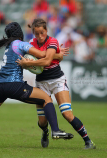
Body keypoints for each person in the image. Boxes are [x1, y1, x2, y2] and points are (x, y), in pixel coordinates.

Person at [0, 22, 73, 148]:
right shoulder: (20, 44)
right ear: (19, 33)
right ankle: (55, 130)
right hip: (14, 85)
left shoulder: (8, 45)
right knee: (46, 99)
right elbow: (43, 55)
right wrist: (58, 53)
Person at [16, 18, 96, 149]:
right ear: (33, 34)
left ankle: (88, 141)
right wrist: (56, 55)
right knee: (42, 121)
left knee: (67, 114)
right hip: (41, 83)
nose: (40, 36)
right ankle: (45, 132)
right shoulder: (31, 43)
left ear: (46, 30)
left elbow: (47, 62)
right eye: (36, 34)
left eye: (42, 32)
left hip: (57, 80)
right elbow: (46, 58)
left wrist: (30, 63)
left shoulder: (53, 41)